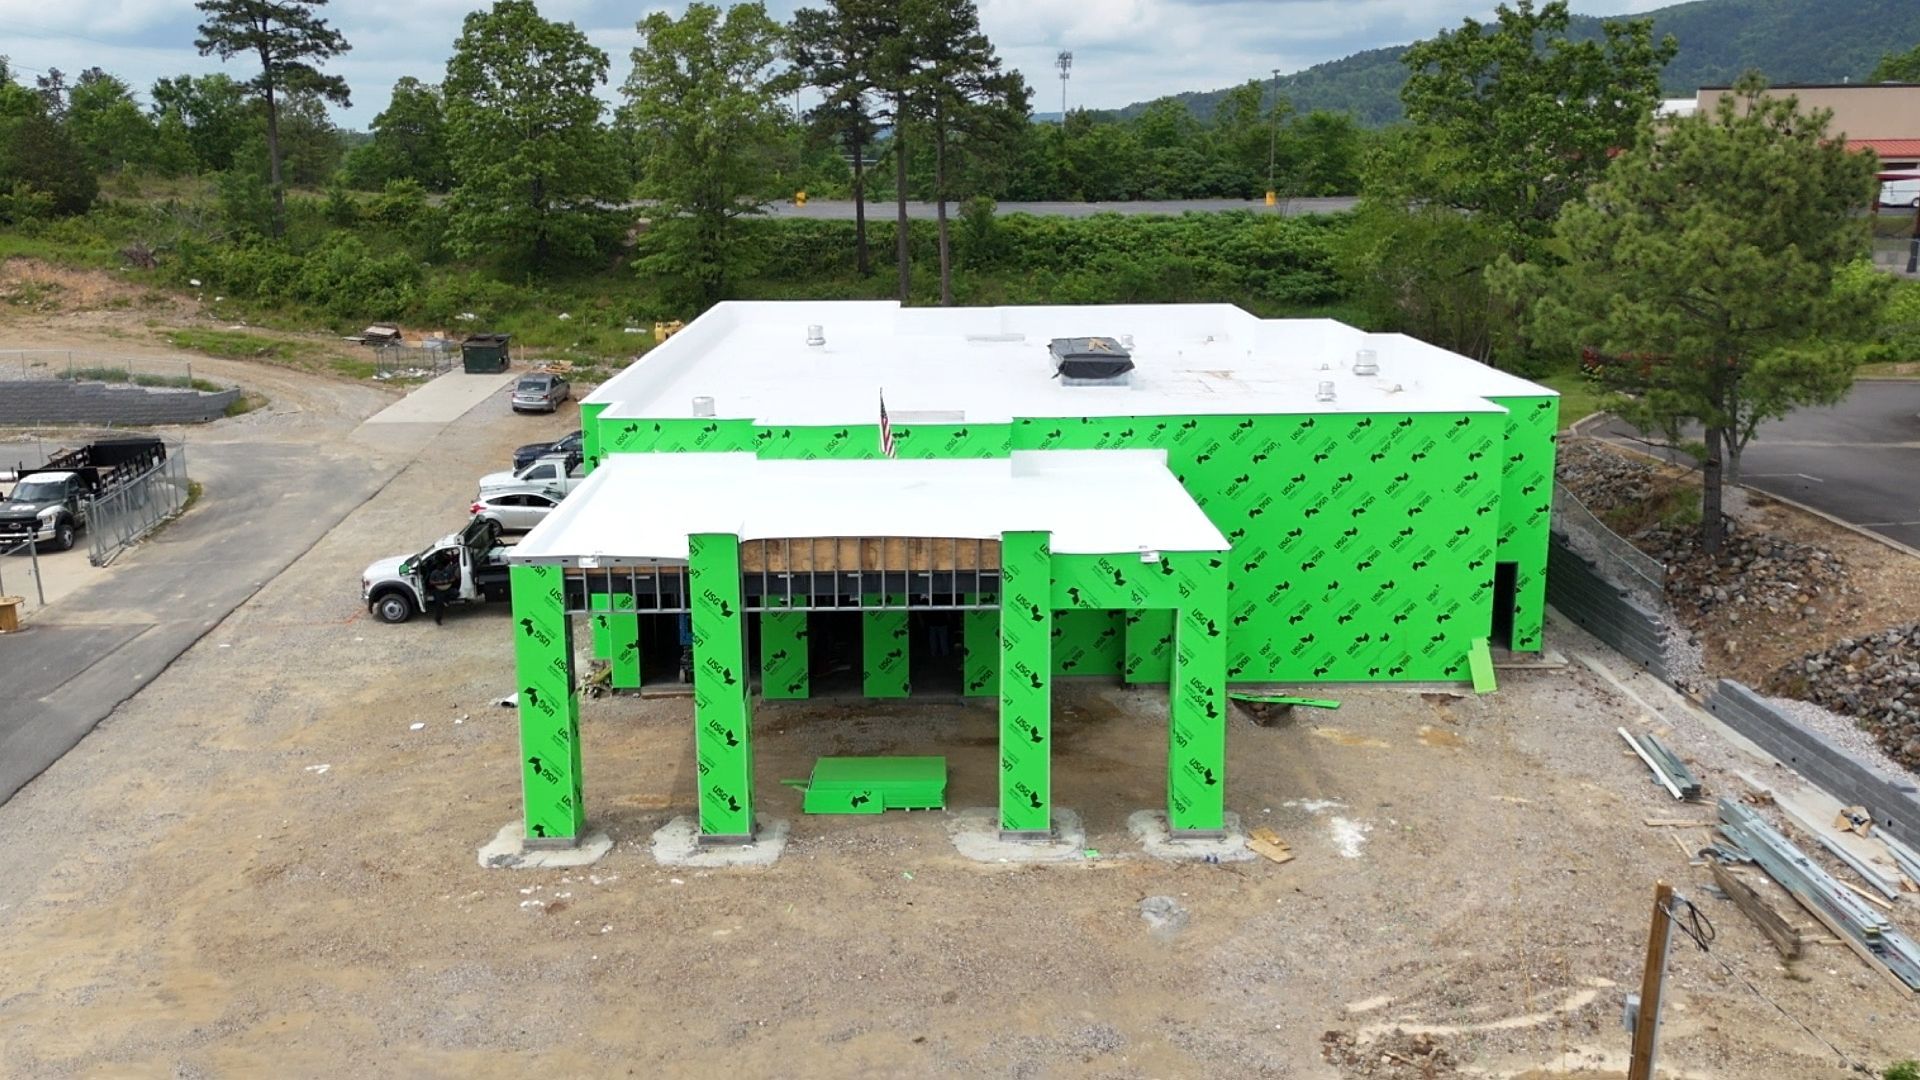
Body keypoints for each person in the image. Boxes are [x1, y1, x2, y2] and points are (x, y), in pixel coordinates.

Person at [425, 553, 459, 625]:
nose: (440, 566)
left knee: (456, 593)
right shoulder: (434, 573)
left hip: (447, 588)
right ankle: (438, 619)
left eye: (441, 565)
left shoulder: (448, 571)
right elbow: (430, 582)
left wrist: (448, 581)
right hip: (438, 590)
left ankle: (446, 600)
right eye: (439, 565)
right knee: (439, 605)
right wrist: (438, 583)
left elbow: (453, 578)